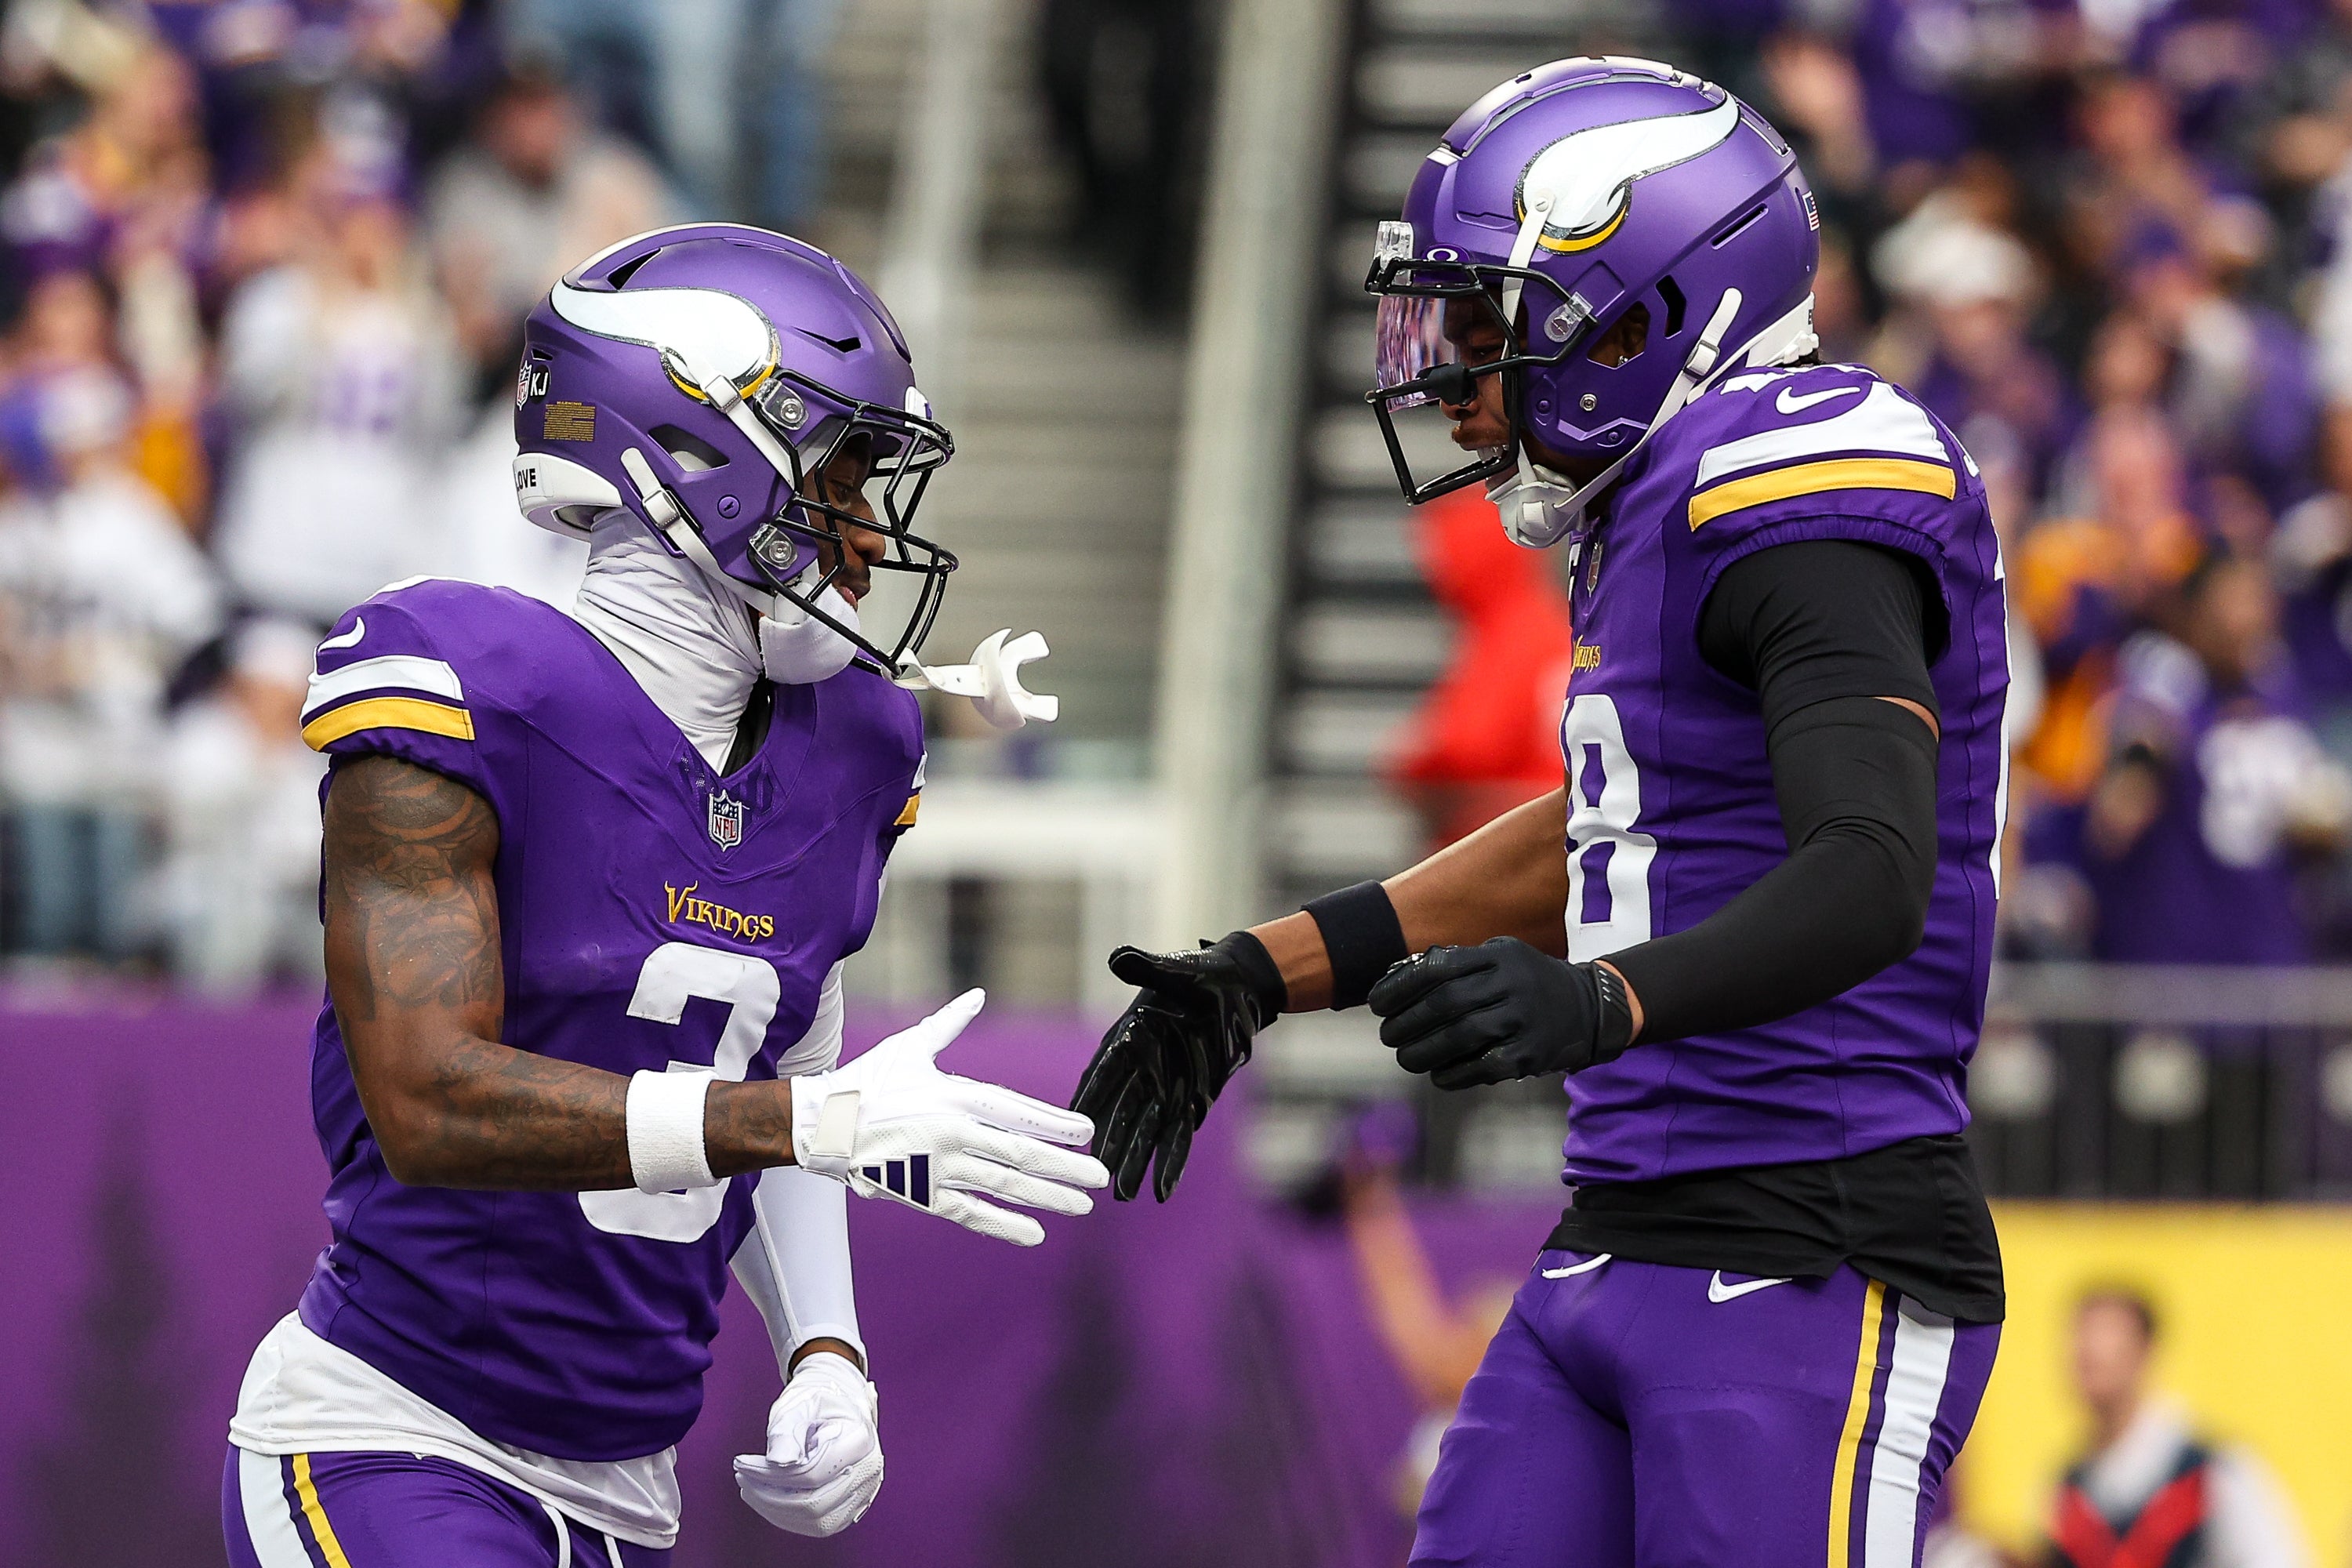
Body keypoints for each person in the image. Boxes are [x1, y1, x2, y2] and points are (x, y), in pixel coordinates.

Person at [1077, 59, 2008, 1566]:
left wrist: (1600, 1005)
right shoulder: (1649, 503)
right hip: (1618, 1231)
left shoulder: (1797, 476)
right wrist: (1268, 969)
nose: (1446, 372)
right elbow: (1606, 833)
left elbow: (1872, 867)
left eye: (1482, 325)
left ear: (1637, 318)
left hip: (1813, 1252)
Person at [222, 225, 1107, 1566]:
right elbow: (430, 1098)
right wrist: (809, 1118)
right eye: (843, 480)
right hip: (389, 1438)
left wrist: (826, 1348)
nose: (869, 535)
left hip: (628, 1497)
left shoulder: (852, 743)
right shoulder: (460, 675)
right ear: (697, 453)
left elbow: (786, 1061)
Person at [2045, 1288, 2307, 1568]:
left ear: (2145, 1351)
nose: (2088, 1347)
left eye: (2107, 1333)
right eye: (2082, 1335)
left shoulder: (2211, 1472)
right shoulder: (2070, 1487)